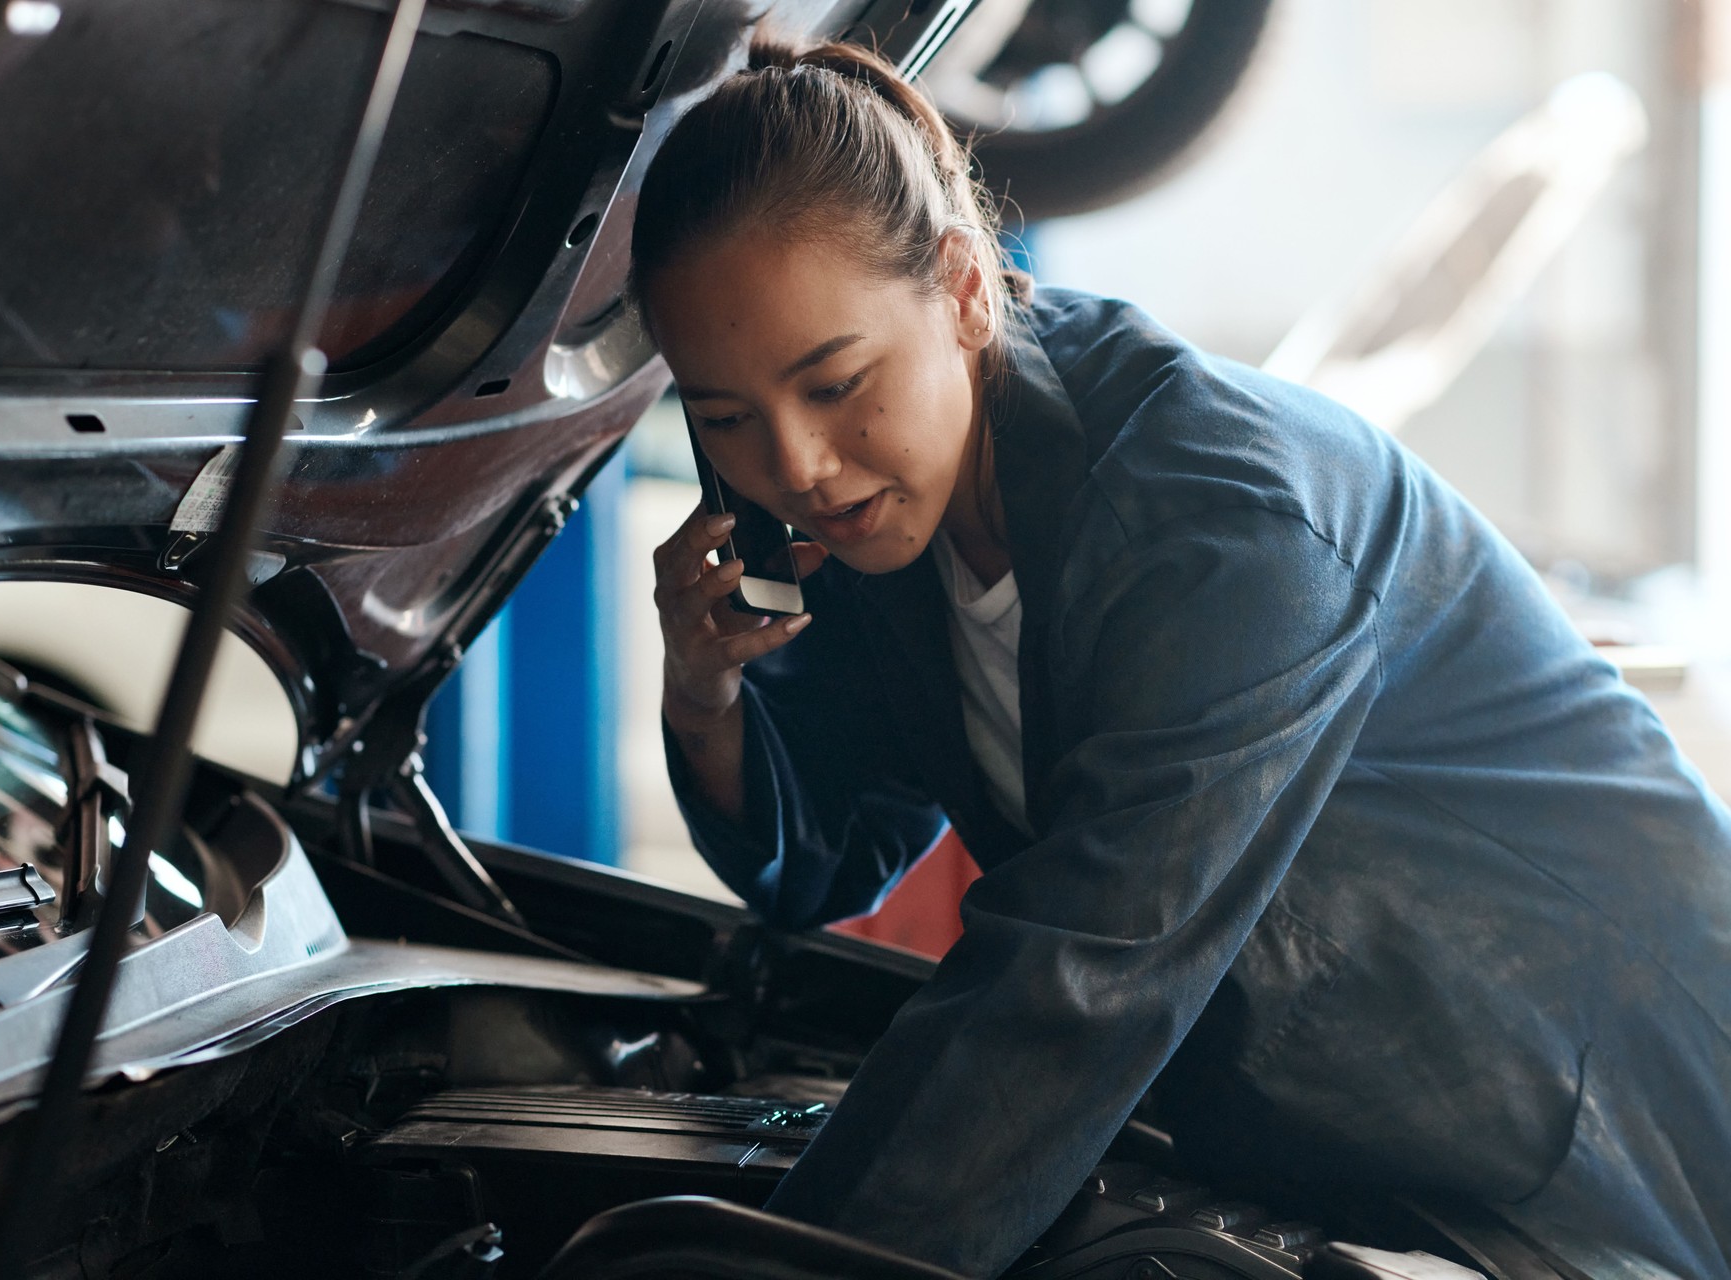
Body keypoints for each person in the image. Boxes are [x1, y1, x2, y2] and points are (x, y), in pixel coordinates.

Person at [631, 32, 1731, 1280]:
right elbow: (831, 854)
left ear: (963, 289)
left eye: (834, 383)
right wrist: (711, 689)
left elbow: (1077, 984)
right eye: (725, 418)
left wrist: (774, 1266)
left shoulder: (1216, 524)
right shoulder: (898, 520)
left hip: (1601, 1115)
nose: (796, 465)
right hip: (1362, 1139)